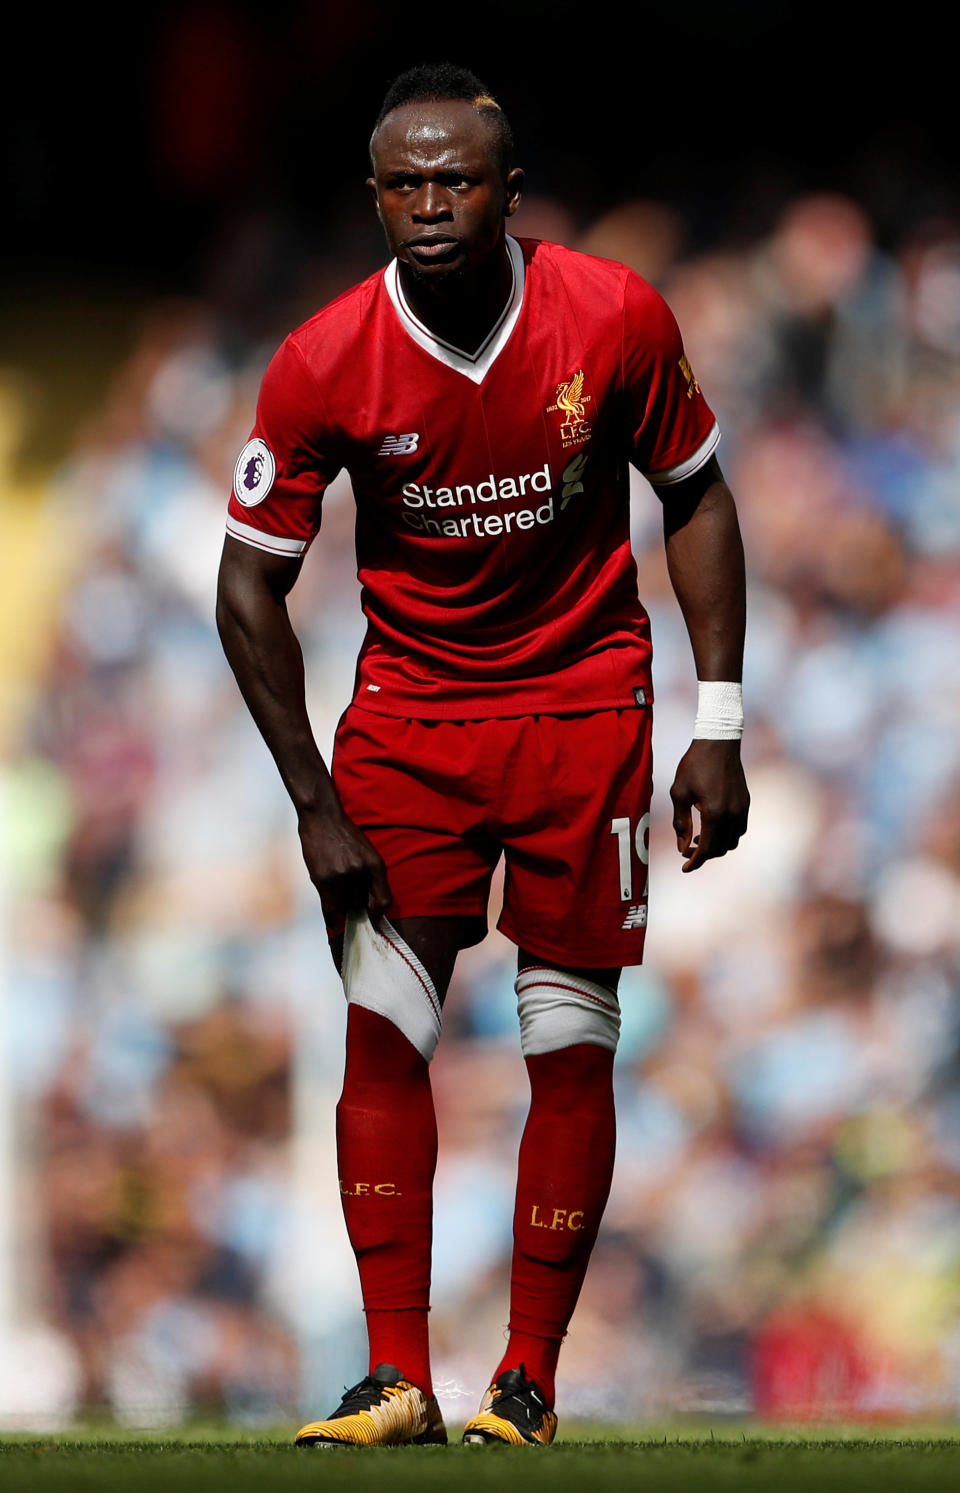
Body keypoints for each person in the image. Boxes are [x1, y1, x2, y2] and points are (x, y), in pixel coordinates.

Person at [216, 61, 749, 1448]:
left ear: (511, 190)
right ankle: (397, 1374)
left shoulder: (612, 314)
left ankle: (528, 1379)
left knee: (571, 1047)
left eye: (458, 179)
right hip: (409, 729)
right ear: (375, 198)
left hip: (584, 710)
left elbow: (695, 493)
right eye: (406, 183)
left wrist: (720, 722)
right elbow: (245, 581)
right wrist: (314, 801)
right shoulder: (325, 357)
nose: (431, 204)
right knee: (383, 1029)